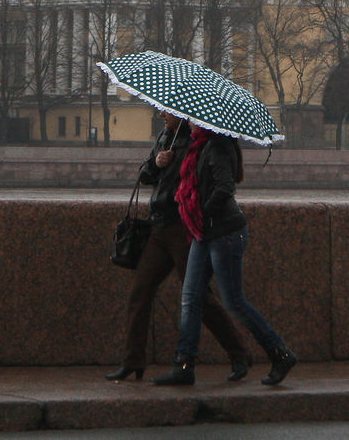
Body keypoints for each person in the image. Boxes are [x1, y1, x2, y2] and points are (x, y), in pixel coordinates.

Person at [105, 110, 252, 382]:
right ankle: (132, 361)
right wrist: (157, 164)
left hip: (183, 229)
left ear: (181, 114)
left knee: (199, 298)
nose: (161, 114)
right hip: (158, 228)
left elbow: (206, 182)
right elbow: (146, 175)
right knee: (140, 290)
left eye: (167, 112)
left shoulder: (198, 141)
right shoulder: (165, 137)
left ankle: (239, 353)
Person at [153, 126, 297, 387]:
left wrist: (203, 212)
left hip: (225, 233)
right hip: (205, 232)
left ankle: (281, 353)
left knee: (233, 302)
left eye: (194, 117)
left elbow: (224, 188)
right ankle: (184, 365)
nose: (190, 121)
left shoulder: (217, 146)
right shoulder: (199, 146)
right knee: (191, 297)